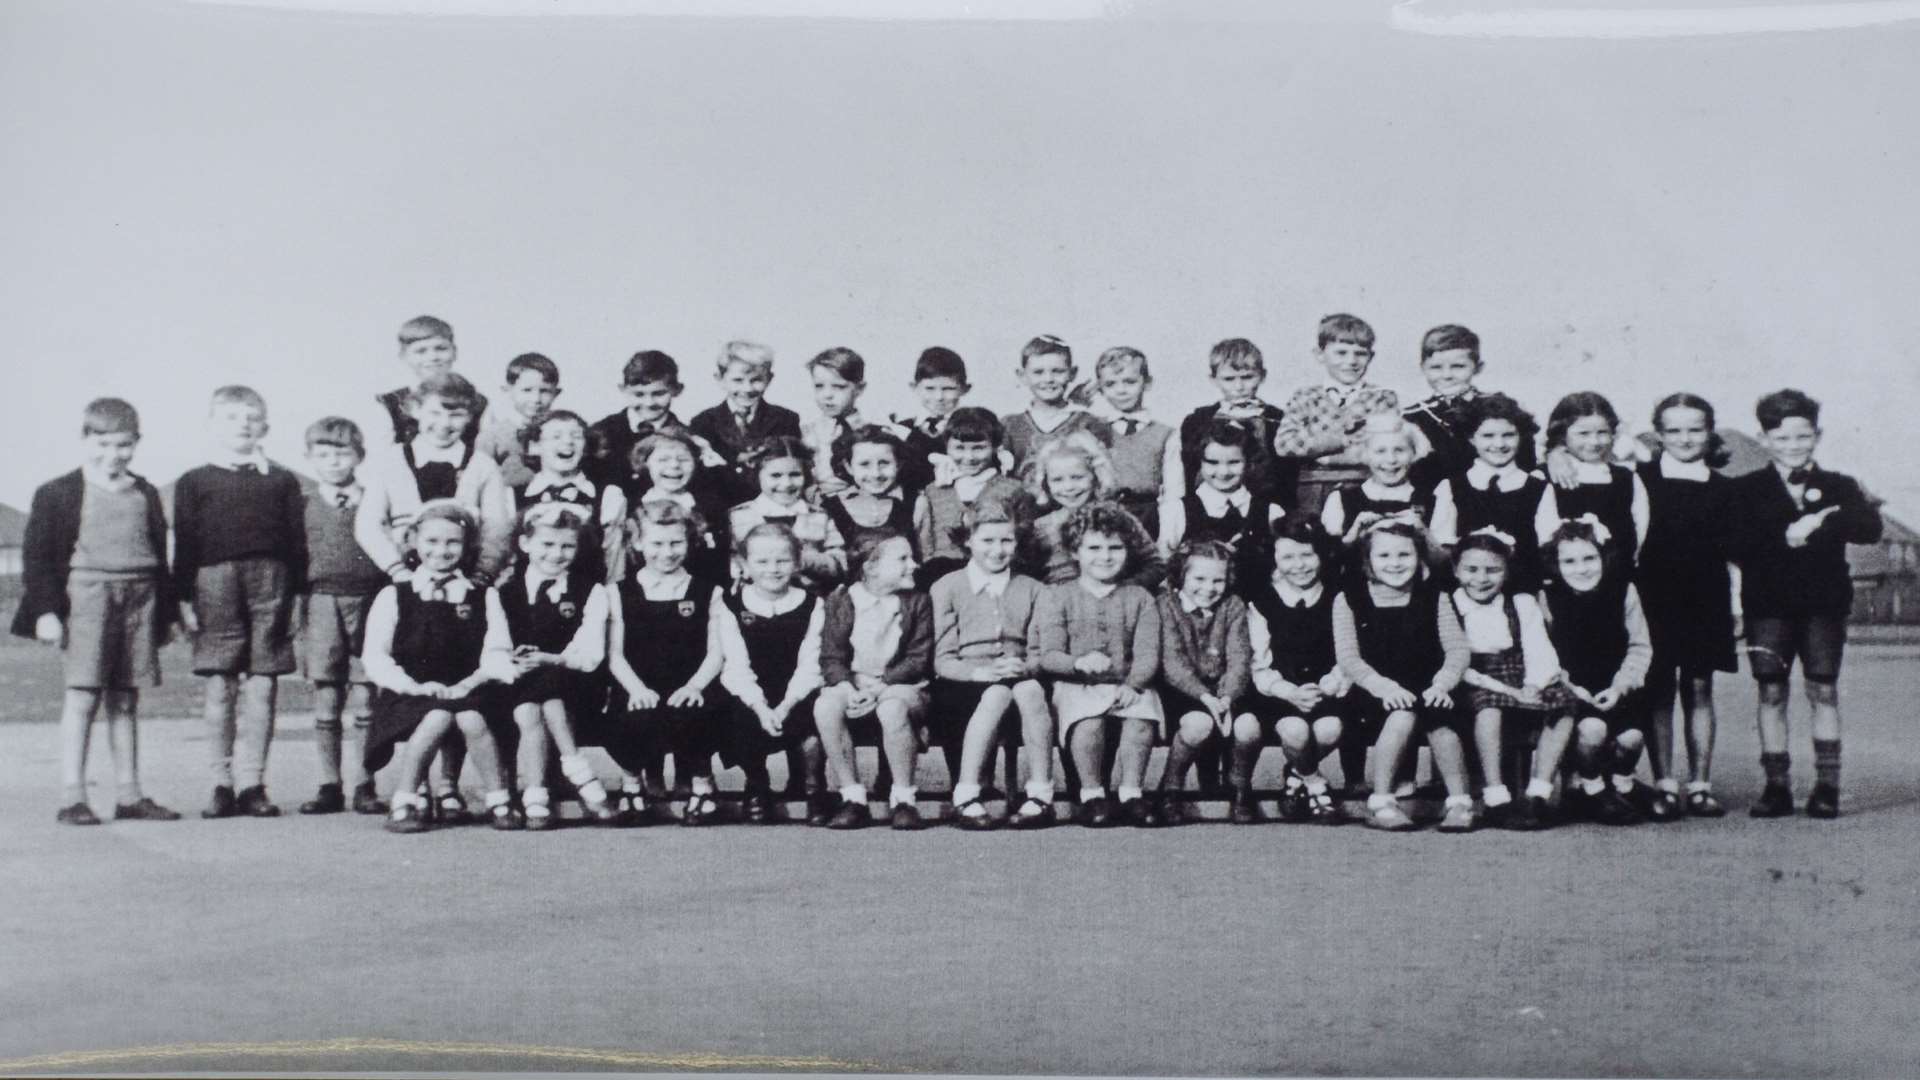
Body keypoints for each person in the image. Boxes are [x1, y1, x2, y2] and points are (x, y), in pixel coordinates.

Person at [13, 398, 179, 825]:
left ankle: (129, 795)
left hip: (140, 598)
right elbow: (38, 559)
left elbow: (160, 557)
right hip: (87, 599)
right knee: (83, 696)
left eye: (123, 445)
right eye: (103, 443)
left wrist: (169, 614)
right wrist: (47, 611)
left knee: (126, 698)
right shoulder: (58, 492)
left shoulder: (144, 492)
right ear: (85, 439)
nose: (113, 454)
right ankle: (73, 796)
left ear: (136, 443)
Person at [1724, 389, 1882, 820]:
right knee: (1771, 691)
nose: (1793, 447)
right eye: (1782, 438)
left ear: (1817, 435)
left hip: (1823, 607)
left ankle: (1827, 787)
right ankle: (1776, 787)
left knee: (1823, 690)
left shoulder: (1840, 486)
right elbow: (1734, 543)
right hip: (1768, 607)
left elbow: (1870, 527)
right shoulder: (1745, 489)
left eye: (1803, 437)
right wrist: (1785, 533)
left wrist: (1821, 518)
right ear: (1764, 438)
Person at [172, 385, 308, 820]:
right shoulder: (194, 481)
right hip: (215, 583)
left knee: (264, 683)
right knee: (219, 684)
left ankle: (253, 782)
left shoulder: (283, 479)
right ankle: (221, 782)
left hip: (272, 580)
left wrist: (299, 595)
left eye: (251, 417)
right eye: (231, 417)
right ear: (212, 425)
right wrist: (183, 598)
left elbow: (297, 543)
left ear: (264, 426)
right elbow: (186, 545)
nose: (242, 425)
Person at [360, 501, 518, 832]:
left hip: (468, 688)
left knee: (472, 718)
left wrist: (471, 682)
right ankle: (405, 799)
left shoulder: (481, 595)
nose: (441, 551)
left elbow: (497, 650)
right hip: (409, 692)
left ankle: (498, 799)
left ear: (467, 545)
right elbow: (376, 657)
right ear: (414, 541)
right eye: (432, 541)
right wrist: (414, 687)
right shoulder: (394, 595)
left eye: (452, 542)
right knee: (438, 715)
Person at [1331, 520, 1474, 831]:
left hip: (1428, 684)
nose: (1395, 564)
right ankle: (1381, 802)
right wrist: (1383, 687)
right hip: (1373, 690)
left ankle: (1460, 803)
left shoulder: (1435, 595)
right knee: (1403, 714)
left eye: (1404, 555)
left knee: (1440, 718)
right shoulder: (1349, 598)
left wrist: (1442, 684)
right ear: (1368, 561)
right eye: (1384, 556)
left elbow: (1458, 650)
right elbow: (1349, 658)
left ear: (1419, 558)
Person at [1636, 392, 1739, 819]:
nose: (1684, 438)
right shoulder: (1639, 479)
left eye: (1695, 429)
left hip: (1705, 596)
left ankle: (1700, 785)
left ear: (1709, 432)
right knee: (1657, 690)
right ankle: (1664, 784)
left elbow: (1735, 558)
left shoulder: (1726, 488)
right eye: (1673, 430)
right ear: (1659, 435)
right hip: (1653, 596)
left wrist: (1737, 608)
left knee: (1699, 687)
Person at [1030, 504, 1165, 828]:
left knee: (1140, 720)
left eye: (1114, 548)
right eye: (1094, 548)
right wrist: (1077, 663)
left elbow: (1148, 653)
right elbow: (1049, 654)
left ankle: (1131, 793)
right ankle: (1092, 794)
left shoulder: (1139, 597)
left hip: (1129, 681)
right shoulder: (1057, 596)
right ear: (1075, 552)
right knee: (1088, 723)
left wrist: (1134, 685)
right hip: (1077, 683)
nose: (1105, 556)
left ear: (1128, 551)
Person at [929, 504, 1055, 830]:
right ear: (969, 541)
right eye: (987, 541)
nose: (997, 551)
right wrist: (978, 673)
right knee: (997, 694)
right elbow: (943, 659)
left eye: (1006, 541)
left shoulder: (1034, 589)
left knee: (1029, 690)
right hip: (964, 679)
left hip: (1018, 674)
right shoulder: (947, 587)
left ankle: (1041, 794)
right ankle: (967, 793)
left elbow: (1041, 651)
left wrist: (1024, 667)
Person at [603, 501, 728, 826]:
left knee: (697, 711)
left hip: (690, 682)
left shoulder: (708, 591)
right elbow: (614, 654)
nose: (667, 552)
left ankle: (702, 785)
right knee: (632, 717)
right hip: (639, 684)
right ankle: (632, 784)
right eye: (657, 543)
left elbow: (717, 650)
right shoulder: (618, 592)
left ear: (690, 543)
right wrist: (635, 689)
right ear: (639, 543)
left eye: (676, 543)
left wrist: (696, 685)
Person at [495, 504, 615, 830]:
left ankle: (536, 799)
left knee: (541, 697)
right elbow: (496, 645)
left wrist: (552, 658)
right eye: (547, 544)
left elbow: (590, 654)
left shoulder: (591, 591)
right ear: (525, 544)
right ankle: (580, 774)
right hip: (517, 682)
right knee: (531, 707)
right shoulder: (503, 592)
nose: (556, 554)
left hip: (576, 684)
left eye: (567, 546)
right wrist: (515, 660)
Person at [296, 417, 390, 815]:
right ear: (310, 457)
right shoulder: (302, 503)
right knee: (327, 696)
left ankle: (365, 783)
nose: (333, 461)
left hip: (368, 599)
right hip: (322, 601)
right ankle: (328, 783)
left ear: (359, 456)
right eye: (323, 453)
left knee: (366, 698)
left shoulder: (373, 498)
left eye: (342, 452)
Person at [813, 530, 934, 830]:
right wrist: (846, 686)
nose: (914, 565)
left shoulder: (917, 601)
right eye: (903, 559)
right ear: (871, 567)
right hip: (855, 684)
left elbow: (918, 659)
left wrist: (882, 685)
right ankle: (852, 796)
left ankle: (904, 799)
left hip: (902, 687)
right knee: (826, 706)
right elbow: (831, 656)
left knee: (891, 708)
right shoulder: (841, 599)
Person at [1450, 529, 1569, 830]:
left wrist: (1535, 684)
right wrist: (1508, 691)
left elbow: (1537, 646)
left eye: (1493, 570)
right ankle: (1495, 796)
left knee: (1563, 703)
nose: (1481, 578)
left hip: (1522, 673)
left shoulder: (1521, 603)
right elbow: (1455, 662)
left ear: (1506, 571)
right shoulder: (1449, 607)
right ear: (1455, 570)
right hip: (1474, 678)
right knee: (1489, 709)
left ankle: (1537, 793)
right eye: (1471, 569)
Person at [1539, 518, 1654, 826]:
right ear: (1556, 564)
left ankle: (1622, 785)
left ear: (1603, 558)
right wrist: (1570, 687)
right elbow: (1543, 654)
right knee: (1592, 731)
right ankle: (1591, 790)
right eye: (1570, 561)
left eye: (1589, 558)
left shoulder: (1623, 592)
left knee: (1632, 738)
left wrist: (1620, 686)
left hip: (1613, 687)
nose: (1582, 568)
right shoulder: (1548, 598)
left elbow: (1640, 647)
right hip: (1572, 690)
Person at [714, 523, 832, 823]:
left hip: (797, 690)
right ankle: (757, 785)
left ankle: (813, 789)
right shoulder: (731, 605)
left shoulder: (812, 604)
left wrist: (786, 705)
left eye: (782, 560)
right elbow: (735, 665)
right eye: (762, 562)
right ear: (744, 565)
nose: (773, 569)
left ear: (796, 563)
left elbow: (811, 663)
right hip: (753, 691)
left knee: (817, 715)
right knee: (738, 714)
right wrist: (760, 706)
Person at [356, 371, 517, 587]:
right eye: (435, 413)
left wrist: (482, 576)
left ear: (470, 417)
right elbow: (368, 524)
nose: (444, 424)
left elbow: (496, 529)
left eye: (456, 415)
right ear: (416, 410)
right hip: (402, 578)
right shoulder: (391, 460)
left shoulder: (482, 465)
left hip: (465, 579)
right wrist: (398, 571)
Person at [1246, 518, 1354, 824]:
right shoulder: (1262, 601)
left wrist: (1330, 684)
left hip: (1325, 687)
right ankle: (1316, 784)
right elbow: (1259, 662)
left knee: (1330, 728)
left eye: (1307, 555)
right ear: (1275, 561)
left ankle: (1295, 775)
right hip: (1279, 692)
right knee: (1294, 731)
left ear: (1321, 555)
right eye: (1288, 557)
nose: (1300, 565)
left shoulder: (1338, 596)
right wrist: (1289, 692)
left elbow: (1348, 652)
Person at [1154, 540, 1256, 825]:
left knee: (1248, 727)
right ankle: (1171, 787)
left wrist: (1227, 696)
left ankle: (1239, 786)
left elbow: (1239, 657)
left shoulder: (1232, 606)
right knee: (1198, 725)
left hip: (1224, 690)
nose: (1208, 588)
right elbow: (1172, 663)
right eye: (1199, 578)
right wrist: (1204, 697)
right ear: (1181, 576)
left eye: (1218, 580)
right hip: (1184, 691)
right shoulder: (1166, 605)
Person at [1273, 313, 1401, 519]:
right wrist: (1342, 440)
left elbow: (1382, 449)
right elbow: (1285, 445)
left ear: (1371, 356)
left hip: (1365, 487)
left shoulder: (1382, 398)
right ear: (1320, 354)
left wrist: (1324, 456)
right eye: (1341, 353)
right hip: (1312, 488)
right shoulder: (1305, 397)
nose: (1351, 361)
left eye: (1360, 353)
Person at [1426, 393, 1549, 593]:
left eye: (1508, 435)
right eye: (1488, 436)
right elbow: (1442, 551)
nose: (1499, 444)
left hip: (1523, 592)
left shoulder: (1538, 488)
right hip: (1466, 593)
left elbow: (1547, 550)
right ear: (1471, 438)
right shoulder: (1451, 487)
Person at [912, 406, 1037, 587]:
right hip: (942, 579)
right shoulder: (934, 491)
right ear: (946, 446)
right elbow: (927, 546)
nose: (969, 457)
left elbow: (1024, 544)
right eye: (959, 448)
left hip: (996, 577)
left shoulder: (1013, 490)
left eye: (978, 448)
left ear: (995, 447)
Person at [1403, 324, 1533, 496]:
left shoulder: (1501, 409)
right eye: (1436, 367)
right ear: (1423, 368)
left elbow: (1527, 460)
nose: (1447, 375)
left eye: (1458, 366)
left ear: (1478, 367)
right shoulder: (1412, 417)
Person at [1157, 419, 1284, 593]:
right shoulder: (1178, 511)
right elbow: (1164, 567)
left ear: (1249, 463)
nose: (1223, 472)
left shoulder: (1271, 512)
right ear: (1199, 463)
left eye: (1233, 462)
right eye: (1212, 462)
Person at [588, 349, 725, 501]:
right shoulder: (602, 432)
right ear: (623, 390)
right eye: (639, 394)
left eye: (659, 394)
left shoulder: (689, 438)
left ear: (677, 390)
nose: (649, 403)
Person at [1535, 391, 1649, 570]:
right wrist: (1553, 453)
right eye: (1583, 433)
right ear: (1562, 434)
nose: (1594, 441)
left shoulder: (1627, 478)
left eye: (1602, 432)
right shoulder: (1544, 476)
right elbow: (1541, 537)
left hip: (1617, 578)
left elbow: (1640, 534)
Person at [513, 410, 628, 584]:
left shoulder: (607, 496)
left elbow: (614, 560)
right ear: (534, 446)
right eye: (556, 436)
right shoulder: (514, 496)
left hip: (589, 597)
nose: (567, 442)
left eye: (576, 436)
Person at [1080, 346, 1182, 539]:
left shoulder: (1165, 433)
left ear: (1147, 382)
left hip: (1149, 518)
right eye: (1111, 384)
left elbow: (1173, 492)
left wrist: (1167, 540)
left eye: (1129, 382)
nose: (1121, 390)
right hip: (1102, 517)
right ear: (1100, 389)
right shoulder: (1092, 430)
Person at [1178, 337, 1293, 508]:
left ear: (1262, 376)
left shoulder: (1279, 419)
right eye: (1229, 379)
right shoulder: (1197, 421)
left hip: (1267, 506)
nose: (1239, 387)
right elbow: (1188, 473)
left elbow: (1287, 476)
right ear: (1214, 379)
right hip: (1209, 509)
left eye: (1247, 377)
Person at [726, 436, 847, 592]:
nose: (786, 484)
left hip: (811, 599)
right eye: (775, 475)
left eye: (795, 475)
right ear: (758, 475)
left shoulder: (819, 516)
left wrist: (803, 560)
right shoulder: (738, 516)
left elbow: (840, 564)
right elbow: (732, 562)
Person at [688, 340, 802, 505]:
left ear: (769, 379)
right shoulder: (703, 422)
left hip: (771, 504)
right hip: (721, 505)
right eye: (738, 380)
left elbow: (792, 468)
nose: (747, 389)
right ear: (720, 379)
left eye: (756, 380)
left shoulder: (785, 419)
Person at [1001, 334, 1112, 473]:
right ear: (1022, 375)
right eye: (1038, 372)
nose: (1048, 379)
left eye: (1057, 371)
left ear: (1072, 373)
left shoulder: (1089, 423)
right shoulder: (1009, 425)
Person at [1321, 414, 1431, 550]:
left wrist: (1423, 531)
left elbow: (1445, 563)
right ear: (1364, 454)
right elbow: (1329, 560)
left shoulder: (1433, 499)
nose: (1391, 460)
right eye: (1380, 451)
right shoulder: (1341, 499)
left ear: (1414, 453)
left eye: (1399, 450)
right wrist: (1352, 536)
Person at [374, 315, 486, 446]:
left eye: (441, 348)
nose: (433, 357)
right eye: (421, 351)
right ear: (404, 356)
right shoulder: (389, 404)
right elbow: (380, 455)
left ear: (455, 352)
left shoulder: (479, 402)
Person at [821, 425, 917, 558]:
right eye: (864, 464)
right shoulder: (830, 507)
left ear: (899, 464)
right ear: (848, 467)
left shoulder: (915, 503)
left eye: (884, 463)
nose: (876, 474)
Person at [473, 352, 562, 490]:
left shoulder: (562, 432)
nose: (536, 399)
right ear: (507, 391)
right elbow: (479, 476)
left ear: (556, 393)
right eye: (527, 390)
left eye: (544, 391)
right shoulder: (493, 435)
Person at [891, 346, 972, 496]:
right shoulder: (902, 428)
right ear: (914, 387)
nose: (939, 397)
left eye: (948, 389)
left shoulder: (973, 429)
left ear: (965, 389)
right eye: (930, 388)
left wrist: (910, 437)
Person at [799, 347, 870, 501]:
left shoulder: (873, 433)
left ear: (860, 388)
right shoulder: (805, 434)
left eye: (839, 387)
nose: (827, 395)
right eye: (819, 386)